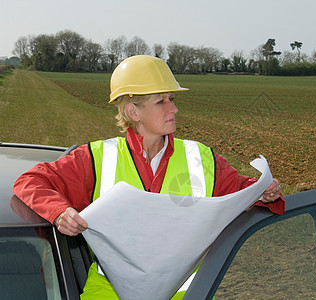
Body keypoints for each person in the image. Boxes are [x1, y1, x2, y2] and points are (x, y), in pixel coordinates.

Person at [13, 55, 284, 299]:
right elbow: (29, 182)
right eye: (161, 101)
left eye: (172, 99)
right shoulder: (96, 158)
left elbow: (240, 191)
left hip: (189, 293)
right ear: (133, 111)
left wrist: (263, 192)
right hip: (108, 291)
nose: (173, 108)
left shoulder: (200, 157)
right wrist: (60, 213)